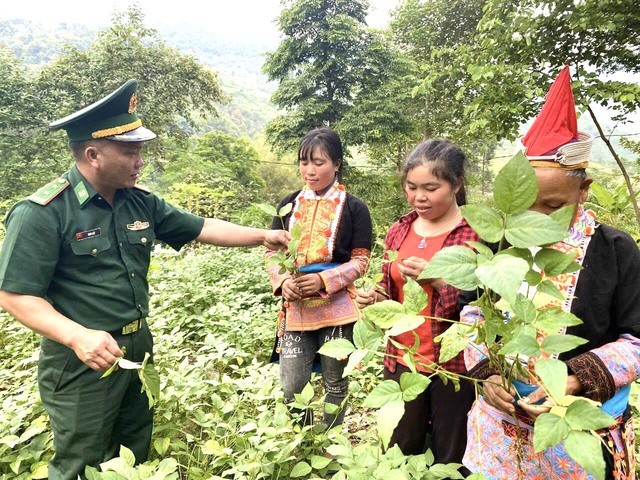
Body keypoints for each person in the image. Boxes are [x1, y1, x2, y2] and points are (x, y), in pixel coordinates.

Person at [0, 79, 289, 480]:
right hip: (81, 359)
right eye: (131, 153)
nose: (140, 162)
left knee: (131, 454)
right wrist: (77, 336)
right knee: (81, 462)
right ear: (92, 154)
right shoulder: (43, 212)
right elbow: (15, 295)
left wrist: (264, 235)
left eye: (140, 152)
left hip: (137, 348)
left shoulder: (139, 200)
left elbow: (201, 227)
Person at [461, 66, 639, 479]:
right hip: (500, 431)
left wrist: (576, 379)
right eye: (527, 205)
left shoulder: (615, 250)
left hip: (575, 424)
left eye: (554, 206)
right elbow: (474, 314)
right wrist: (488, 375)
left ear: (584, 189)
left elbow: (636, 339)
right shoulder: (499, 243)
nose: (537, 219)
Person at [354, 138, 478, 469]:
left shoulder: (474, 235)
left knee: (451, 455)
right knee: (399, 448)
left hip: (453, 369)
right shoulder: (399, 230)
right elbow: (388, 289)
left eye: (430, 188)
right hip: (401, 360)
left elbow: (483, 305)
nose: (418, 197)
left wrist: (438, 279)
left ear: (457, 185)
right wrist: (374, 299)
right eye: (411, 187)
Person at [265, 127, 372, 428]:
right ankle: (305, 442)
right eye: (303, 162)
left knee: (335, 383)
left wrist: (325, 280)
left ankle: (331, 445)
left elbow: (361, 260)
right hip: (296, 308)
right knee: (291, 388)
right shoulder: (287, 206)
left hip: (338, 310)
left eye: (319, 162)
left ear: (337, 163)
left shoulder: (355, 208)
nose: (309, 171)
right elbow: (272, 253)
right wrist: (283, 281)